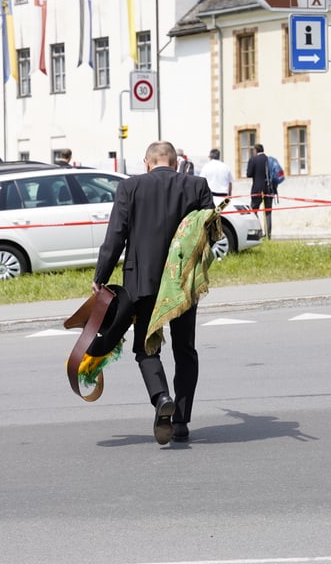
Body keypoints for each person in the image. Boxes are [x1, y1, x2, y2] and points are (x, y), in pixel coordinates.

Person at [92, 141, 214, 445]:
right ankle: (182, 422)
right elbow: (211, 231)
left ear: (147, 162)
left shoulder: (130, 188)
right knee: (185, 350)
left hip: (142, 282)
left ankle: (161, 398)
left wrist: (101, 276)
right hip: (182, 281)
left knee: (146, 348)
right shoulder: (197, 185)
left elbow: (116, 235)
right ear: (175, 162)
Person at [246, 143, 274, 239]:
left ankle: (258, 232)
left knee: (254, 211)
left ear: (255, 150)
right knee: (268, 212)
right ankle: (268, 235)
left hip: (257, 189)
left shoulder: (253, 160)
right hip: (269, 189)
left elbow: (249, 174)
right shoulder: (268, 159)